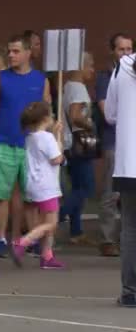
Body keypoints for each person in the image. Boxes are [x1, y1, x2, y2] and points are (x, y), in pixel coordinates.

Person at [0, 34, 51, 258]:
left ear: (27, 53)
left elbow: (46, 113)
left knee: (30, 195)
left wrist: (49, 139)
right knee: (1, 194)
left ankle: (23, 238)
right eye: (9, 51)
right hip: (4, 142)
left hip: (31, 145)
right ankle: (2, 237)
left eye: (15, 51)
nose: (11, 55)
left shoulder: (41, 80)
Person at [11, 101, 65, 269]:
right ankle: (22, 242)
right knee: (51, 223)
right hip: (46, 185)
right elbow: (57, 159)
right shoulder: (47, 138)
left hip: (34, 183)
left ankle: (47, 255)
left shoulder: (30, 137)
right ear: (45, 118)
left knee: (44, 222)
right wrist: (58, 138)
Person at [104, 50, 136, 308]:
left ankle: (131, 291)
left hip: (129, 164)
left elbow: (110, 114)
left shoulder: (121, 68)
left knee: (130, 229)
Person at [96, 33, 133, 257]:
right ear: (112, 51)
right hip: (113, 142)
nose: (126, 54)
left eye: (129, 49)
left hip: (129, 142)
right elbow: (106, 110)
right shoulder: (107, 76)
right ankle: (108, 238)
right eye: (121, 49)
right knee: (111, 194)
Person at [59, 52, 97, 245]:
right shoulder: (79, 88)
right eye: (90, 66)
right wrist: (90, 124)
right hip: (80, 143)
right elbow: (75, 116)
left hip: (68, 143)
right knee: (86, 187)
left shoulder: (66, 86)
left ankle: (76, 230)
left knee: (76, 187)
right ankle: (58, 216)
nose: (92, 70)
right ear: (81, 67)